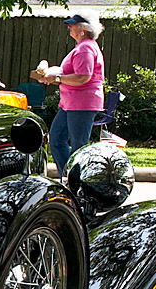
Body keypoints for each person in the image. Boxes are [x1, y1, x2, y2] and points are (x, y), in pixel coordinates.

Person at [34, 13, 107, 175]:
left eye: (72, 24)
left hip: (81, 104)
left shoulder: (85, 48)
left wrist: (57, 78)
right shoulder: (83, 47)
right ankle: (68, 176)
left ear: (83, 29)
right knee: (56, 140)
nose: (69, 27)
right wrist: (53, 77)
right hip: (70, 104)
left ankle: (78, 181)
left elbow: (83, 77)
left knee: (78, 145)